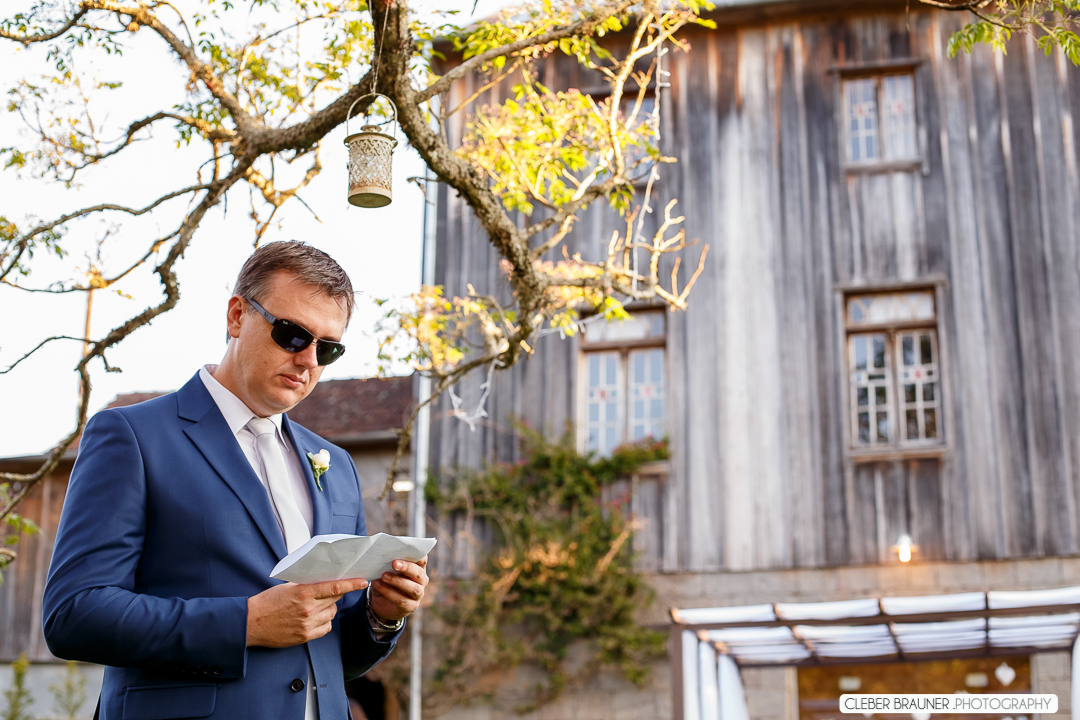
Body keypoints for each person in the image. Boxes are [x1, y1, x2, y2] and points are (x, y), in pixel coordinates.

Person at [42, 241, 428, 720]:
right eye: (291, 335)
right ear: (236, 316)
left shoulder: (336, 463)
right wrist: (245, 623)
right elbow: (74, 616)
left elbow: (328, 660)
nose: (309, 359)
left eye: (327, 348)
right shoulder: (133, 436)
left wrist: (379, 615)